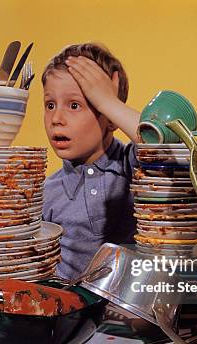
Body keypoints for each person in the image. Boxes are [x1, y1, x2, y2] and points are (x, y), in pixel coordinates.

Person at [41, 43, 141, 280]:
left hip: (128, 312)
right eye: (50, 105)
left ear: (111, 118)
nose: (56, 118)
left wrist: (110, 103)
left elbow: (163, 146)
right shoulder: (46, 192)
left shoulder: (132, 166)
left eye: (74, 105)